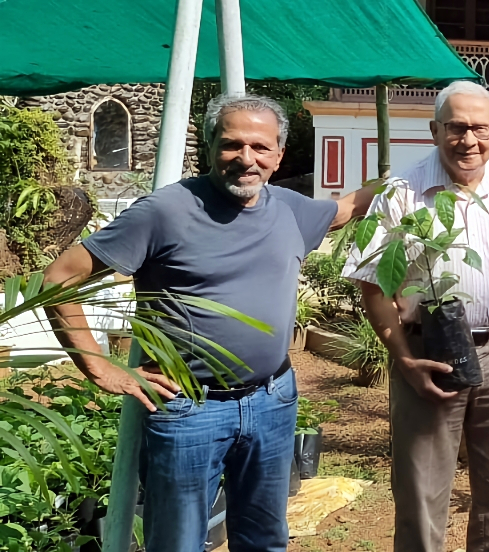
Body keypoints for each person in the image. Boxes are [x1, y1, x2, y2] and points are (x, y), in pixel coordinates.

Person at [43, 94, 376, 552]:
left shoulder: (291, 209)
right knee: (177, 543)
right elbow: (60, 275)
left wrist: (415, 178)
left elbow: (345, 209)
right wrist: (101, 367)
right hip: (188, 408)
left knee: (264, 538)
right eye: (232, 145)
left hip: (272, 399)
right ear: (210, 146)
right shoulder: (165, 212)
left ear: (279, 155)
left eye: (260, 147)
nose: (246, 158)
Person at [342, 81, 489, 552]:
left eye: (480, 129)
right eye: (456, 127)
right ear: (435, 130)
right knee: (422, 491)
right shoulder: (402, 192)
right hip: (427, 354)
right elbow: (372, 282)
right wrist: (402, 358)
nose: (468, 140)